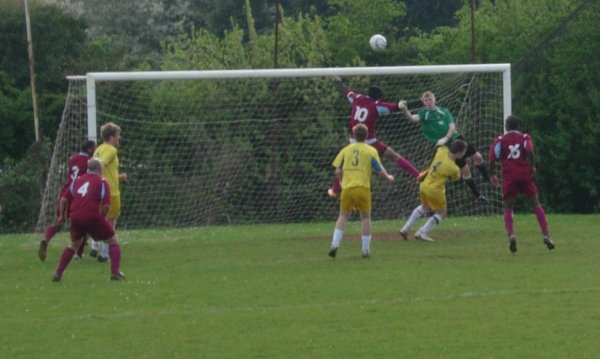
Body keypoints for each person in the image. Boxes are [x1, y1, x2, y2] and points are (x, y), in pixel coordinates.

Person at [327, 76, 419, 197]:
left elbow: (346, 92)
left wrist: (339, 82)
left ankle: (335, 190)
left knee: (344, 164)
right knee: (393, 155)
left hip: (353, 140)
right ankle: (417, 174)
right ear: (379, 98)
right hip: (369, 141)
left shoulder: (357, 98)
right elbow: (396, 107)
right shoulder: (376, 105)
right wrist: (413, 103)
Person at [400, 91, 489, 201]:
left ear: (434, 99)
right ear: (423, 102)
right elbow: (412, 118)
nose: (429, 102)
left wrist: (446, 137)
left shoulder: (444, 111)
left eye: (430, 99)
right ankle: (477, 194)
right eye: (426, 100)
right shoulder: (424, 114)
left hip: (455, 138)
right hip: (446, 146)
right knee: (465, 169)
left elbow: (452, 127)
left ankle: (486, 178)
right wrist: (405, 110)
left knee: (478, 157)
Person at [488, 115, 555, 253]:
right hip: (524, 175)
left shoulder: (500, 140)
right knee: (536, 203)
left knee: (508, 207)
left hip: (509, 176)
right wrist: (532, 166)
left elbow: (493, 157)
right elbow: (529, 150)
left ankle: (512, 236)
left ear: (506, 126)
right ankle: (546, 235)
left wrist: (492, 174)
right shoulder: (525, 137)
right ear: (517, 126)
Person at [328, 123, 395, 258]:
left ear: (353, 135)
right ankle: (365, 250)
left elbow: (337, 171)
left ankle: (334, 245)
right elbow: (379, 169)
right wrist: (388, 177)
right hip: (363, 188)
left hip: (347, 188)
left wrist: (341, 182)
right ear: (366, 136)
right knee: (365, 218)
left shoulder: (346, 150)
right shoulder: (370, 150)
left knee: (343, 216)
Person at [52, 158, 125, 282]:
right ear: (99, 169)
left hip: (75, 216)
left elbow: (63, 200)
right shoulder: (102, 182)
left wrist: (62, 217)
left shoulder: (77, 181)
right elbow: (107, 206)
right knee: (113, 240)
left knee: (73, 244)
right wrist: (101, 219)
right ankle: (115, 272)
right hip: (92, 215)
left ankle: (58, 273)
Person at [38, 139, 96, 262]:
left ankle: (46, 238)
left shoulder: (72, 159)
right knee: (84, 226)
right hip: (78, 194)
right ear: (90, 149)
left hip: (65, 193)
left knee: (59, 222)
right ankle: (78, 254)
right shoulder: (89, 162)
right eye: (94, 148)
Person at [400, 140, 468, 242]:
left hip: (424, 185)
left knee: (424, 206)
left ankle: (405, 228)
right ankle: (422, 232)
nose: (464, 154)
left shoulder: (442, 150)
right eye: (463, 152)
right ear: (459, 153)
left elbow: (439, 144)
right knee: (442, 213)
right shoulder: (453, 168)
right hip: (435, 191)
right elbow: (456, 178)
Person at [90, 122, 128, 262]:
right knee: (111, 222)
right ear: (112, 136)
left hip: (99, 191)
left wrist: (119, 177)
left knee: (100, 219)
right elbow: (101, 166)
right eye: (118, 135)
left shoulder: (98, 149)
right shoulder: (111, 150)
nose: (119, 138)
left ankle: (95, 245)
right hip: (111, 192)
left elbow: (102, 170)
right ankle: (104, 253)